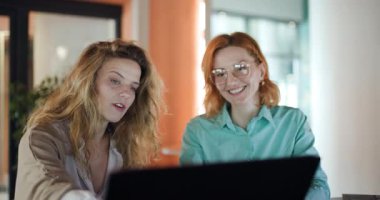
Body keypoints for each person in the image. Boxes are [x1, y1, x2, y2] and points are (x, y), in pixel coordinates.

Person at [179, 32, 330, 199]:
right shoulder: (198, 131)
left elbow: (319, 187)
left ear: (261, 70)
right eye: (220, 73)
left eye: (241, 68)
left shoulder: (293, 122)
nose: (231, 81)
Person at [15, 39, 164, 200]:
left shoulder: (124, 144)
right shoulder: (42, 136)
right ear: (88, 83)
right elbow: (47, 185)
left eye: (133, 87)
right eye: (115, 81)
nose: (126, 93)